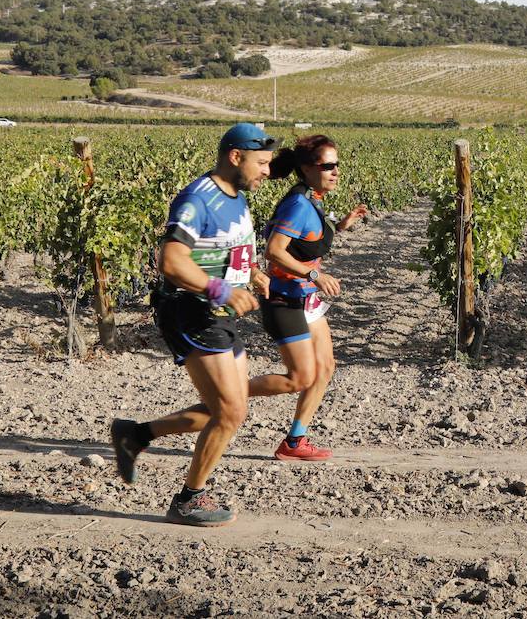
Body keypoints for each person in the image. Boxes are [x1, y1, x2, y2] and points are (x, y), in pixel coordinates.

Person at [109, 122, 277, 527]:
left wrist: (252, 272)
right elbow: (171, 262)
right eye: (262, 163)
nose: (267, 172)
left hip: (217, 311)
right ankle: (187, 500)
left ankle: (137, 434)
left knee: (226, 409)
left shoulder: (237, 197)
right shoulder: (197, 200)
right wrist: (220, 289)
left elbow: (231, 245)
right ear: (235, 157)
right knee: (232, 411)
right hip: (190, 309)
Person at [250, 134, 366, 461]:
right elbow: (274, 251)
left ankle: (294, 441)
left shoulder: (312, 199)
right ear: (306, 168)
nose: (335, 171)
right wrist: (315, 274)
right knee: (299, 378)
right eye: (327, 165)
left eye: (337, 164)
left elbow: (310, 239)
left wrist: (343, 224)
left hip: (307, 300)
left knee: (325, 368)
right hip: (286, 297)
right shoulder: (298, 204)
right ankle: (231, 393)